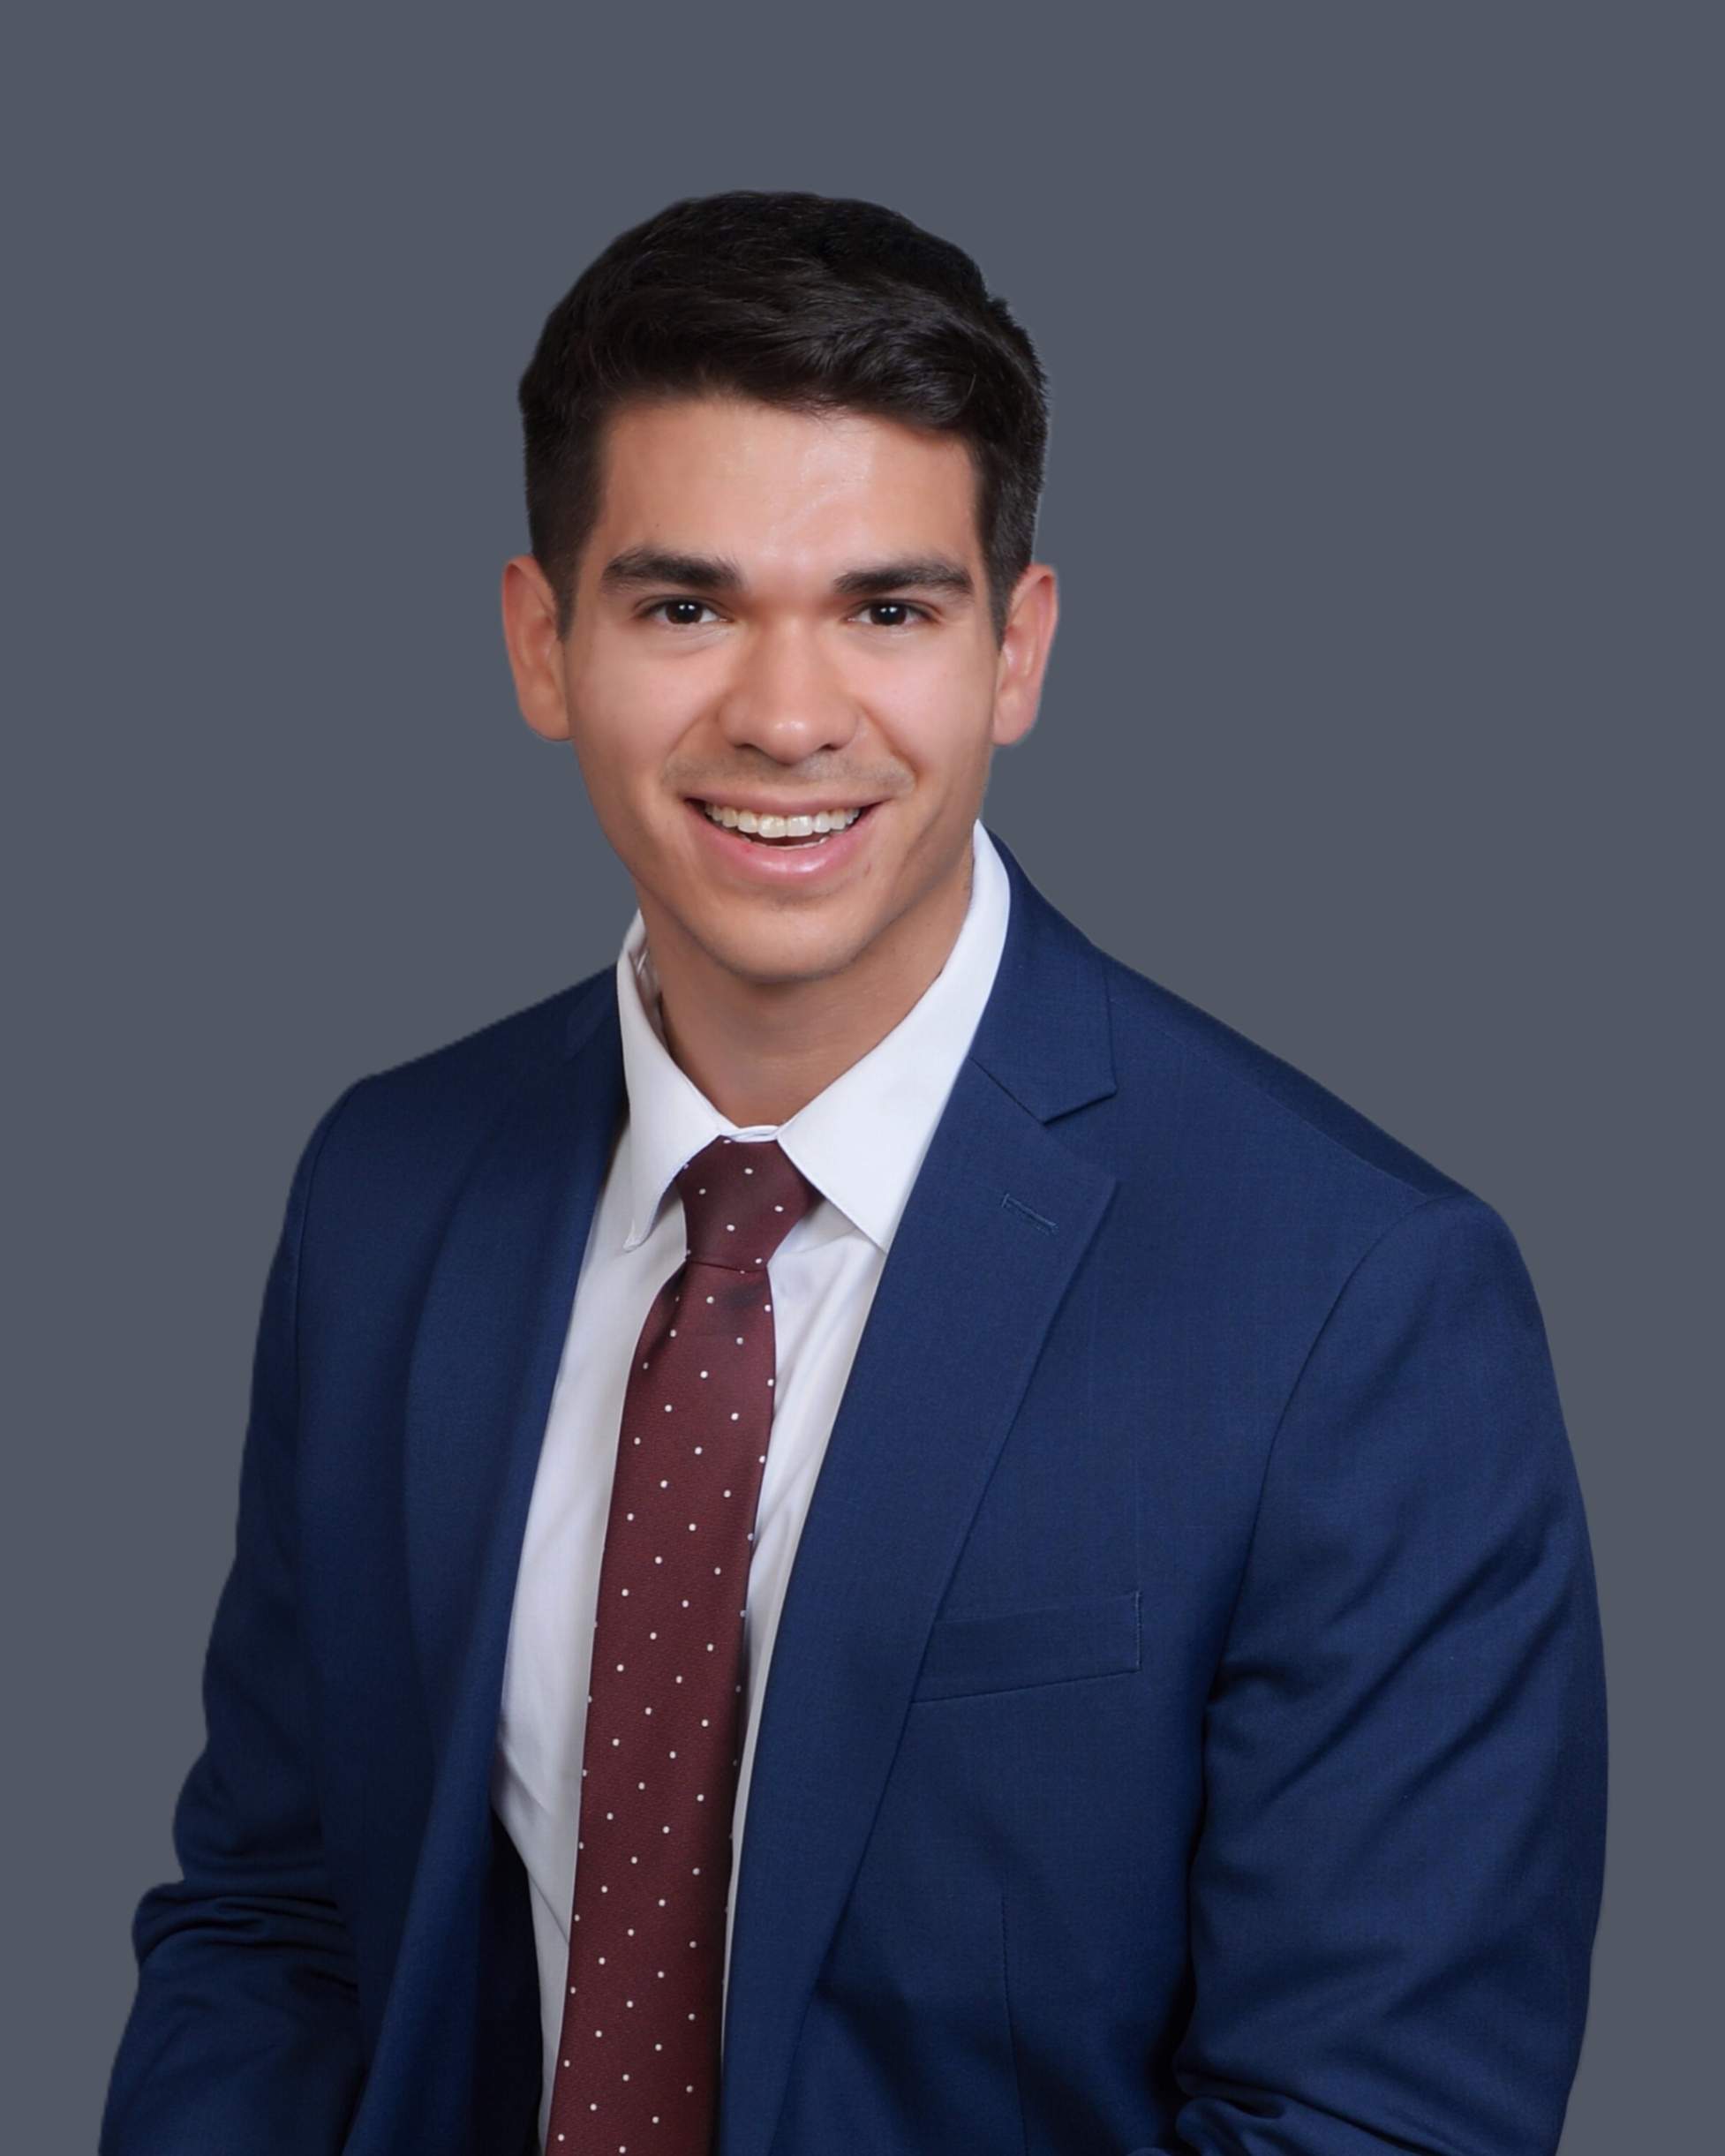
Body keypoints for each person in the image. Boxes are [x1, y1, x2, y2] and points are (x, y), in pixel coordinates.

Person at [101, 189, 1608, 2156]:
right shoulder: (388, 1194)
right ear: (542, 643)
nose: (788, 718)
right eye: (685, 607)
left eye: (887, 610)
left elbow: (1369, 2121)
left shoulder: (1355, 1306)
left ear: (1016, 651)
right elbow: (281, 1928)